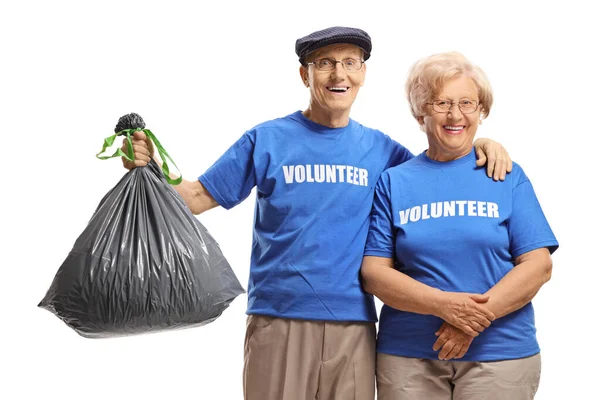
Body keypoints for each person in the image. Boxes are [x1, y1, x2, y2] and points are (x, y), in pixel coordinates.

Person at [122, 28, 512, 400]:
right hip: (279, 318)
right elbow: (195, 197)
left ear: (362, 74)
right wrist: (150, 168)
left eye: (349, 62)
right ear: (304, 74)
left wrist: (483, 144)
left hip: (356, 325)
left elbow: (436, 172)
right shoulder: (267, 139)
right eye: (324, 63)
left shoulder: (383, 151)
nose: (338, 73)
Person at [361, 51, 559, 400]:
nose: (456, 115)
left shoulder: (505, 175)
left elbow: (538, 265)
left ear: (482, 111)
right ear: (419, 112)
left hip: (500, 354)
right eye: (441, 103)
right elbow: (375, 273)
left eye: (467, 103)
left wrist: (470, 320)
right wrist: (443, 306)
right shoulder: (394, 182)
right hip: (408, 355)